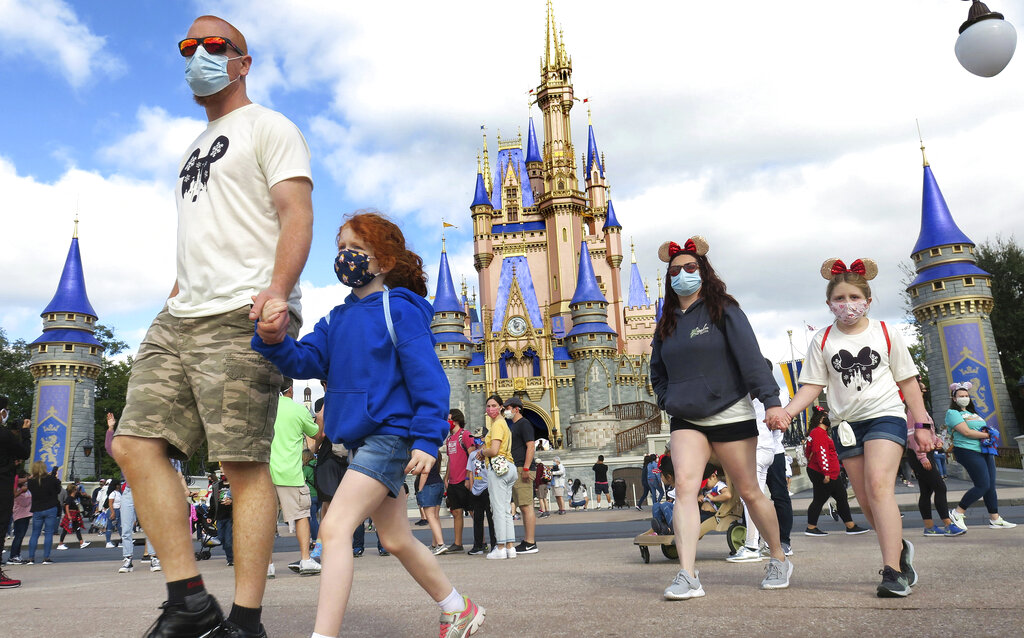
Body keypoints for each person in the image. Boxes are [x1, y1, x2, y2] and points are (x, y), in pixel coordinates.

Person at [110, 14, 315, 638]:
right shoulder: (190, 151)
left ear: (242, 62)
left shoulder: (270, 126)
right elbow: (199, 237)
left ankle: (246, 621)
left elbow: (296, 212)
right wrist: (171, 298)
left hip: (243, 312)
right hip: (181, 313)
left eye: (213, 46)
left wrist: (279, 292)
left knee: (243, 463)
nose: (197, 55)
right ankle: (190, 600)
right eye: (187, 47)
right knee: (134, 445)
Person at [251, 211, 485, 638]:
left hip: (391, 436)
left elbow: (429, 381)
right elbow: (305, 361)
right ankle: (458, 607)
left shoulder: (401, 311)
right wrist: (272, 340)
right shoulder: (336, 319)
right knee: (395, 538)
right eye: (341, 248)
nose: (346, 257)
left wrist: (427, 441)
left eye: (356, 250)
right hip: (360, 442)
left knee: (336, 528)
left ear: (383, 261)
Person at [778, 258, 931, 598]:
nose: (847, 305)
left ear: (868, 300)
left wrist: (920, 423)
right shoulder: (823, 339)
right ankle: (899, 549)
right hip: (846, 425)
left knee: (879, 488)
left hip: (885, 415)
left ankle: (891, 572)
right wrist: (786, 412)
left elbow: (908, 382)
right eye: (840, 298)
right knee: (866, 500)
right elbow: (811, 386)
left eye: (853, 297)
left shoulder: (887, 333)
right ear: (829, 303)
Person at [651, 237, 793, 600]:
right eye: (674, 271)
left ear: (703, 271)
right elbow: (658, 371)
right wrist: (669, 400)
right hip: (686, 417)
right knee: (684, 487)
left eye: (689, 268)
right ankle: (687, 574)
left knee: (748, 489)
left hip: (729, 410)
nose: (682, 275)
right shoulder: (665, 322)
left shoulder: (723, 310)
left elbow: (750, 357)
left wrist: (772, 402)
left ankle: (777, 556)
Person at [945, 383, 1017, 531]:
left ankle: (995, 518)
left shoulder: (974, 414)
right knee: (982, 485)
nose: (964, 398)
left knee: (990, 486)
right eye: (961, 396)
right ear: (954, 398)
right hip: (967, 450)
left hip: (985, 450)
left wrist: (988, 434)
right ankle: (958, 512)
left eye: (966, 396)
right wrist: (988, 434)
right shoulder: (952, 413)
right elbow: (966, 432)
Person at [269, 381, 321, 577]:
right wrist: (321, 419)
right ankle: (306, 559)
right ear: (290, 389)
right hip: (290, 473)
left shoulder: (265, 407)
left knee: (266, 520)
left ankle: (267, 565)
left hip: (265, 472)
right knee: (301, 516)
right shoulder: (297, 410)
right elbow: (317, 434)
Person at [905, 379, 962, 537]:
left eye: (924, 391)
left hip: (925, 452)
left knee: (926, 490)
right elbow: (912, 435)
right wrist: (923, 457)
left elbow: (928, 432)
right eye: (922, 391)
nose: (924, 393)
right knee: (940, 487)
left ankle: (929, 527)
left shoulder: (922, 411)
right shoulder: (912, 411)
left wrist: (937, 441)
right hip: (919, 454)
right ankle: (948, 525)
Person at [802, 408, 869, 537]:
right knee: (822, 499)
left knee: (840, 497)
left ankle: (850, 526)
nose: (830, 418)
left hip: (824, 471)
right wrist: (826, 472)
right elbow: (821, 453)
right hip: (825, 473)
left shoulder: (816, 433)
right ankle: (812, 527)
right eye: (827, 416)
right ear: (822, 419)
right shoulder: (819, 433)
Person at [106, 415, 159, 574]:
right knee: (126, 528)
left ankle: (154, 557)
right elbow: (109, 447)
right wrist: (110, 428)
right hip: (129, 491)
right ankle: (128, 559)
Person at [478, 394, 518, 560]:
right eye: (488, 406)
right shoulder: (504, 424)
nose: (490, 409)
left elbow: (494, 450)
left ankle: (500, 547)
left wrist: (481, 452)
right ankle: (510, 547)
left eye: (494, 405)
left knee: (498, 509)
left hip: (498, 467)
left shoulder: (497, 425)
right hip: (509, 467)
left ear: (501, 407)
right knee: (507, 509)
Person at [0, 407, 31, 588]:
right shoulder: (4, 435)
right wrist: (25, 432)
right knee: (1, 524)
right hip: (2, 483)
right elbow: (24, 452)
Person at [504, 397, 539, 554]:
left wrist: (525, 468)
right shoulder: (514, 425)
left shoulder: (524, 423)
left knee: (526, 506)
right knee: (523, 506)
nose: (506, 410)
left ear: (516, 409)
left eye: (508, 407)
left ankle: (530, 542)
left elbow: (530, 445)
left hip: (522, 469)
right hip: (517, 467)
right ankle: (527, 540)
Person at [441, 408, 474, 553]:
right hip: (453, 481)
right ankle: (457, 543)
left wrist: (468, 477)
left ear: (456, 420)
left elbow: (472, 457)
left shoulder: (465, 435)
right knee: (456, 513)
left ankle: (482, 541)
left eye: (449, 419)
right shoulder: (449, 440)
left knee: (473, 512)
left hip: (464, 480)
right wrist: (446, 477)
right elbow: (450, 460)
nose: (447, 422)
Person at [26, 461, 62, 565]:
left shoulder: (31, 482)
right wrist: (55, 478)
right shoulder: (51, 479)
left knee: (35, 534)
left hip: (37, 508)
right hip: (50, 507)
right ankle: (46, 558)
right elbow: (57, 491)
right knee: (49, 533)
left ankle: (31, 558)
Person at [465, 436, 496, 555]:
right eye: (475, 438)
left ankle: (495, 544)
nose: (476, 440)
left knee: (491, 518)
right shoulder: (472, 455)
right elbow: (471, 471)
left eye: (479, 437)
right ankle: (478, 545)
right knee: (477, 519)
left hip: (488, 488)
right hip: (476, 489)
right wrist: (472, 487)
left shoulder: (490, 452)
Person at [417, 448, 447, 554]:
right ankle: (435, 545)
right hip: (438, 483)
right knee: (435, 517)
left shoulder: (426, 453)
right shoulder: (436, 452)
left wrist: (420, 490)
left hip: (429, 485)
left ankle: (440, 544)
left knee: (430, 517)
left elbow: (424, 473)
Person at [210, 472, 234, 565]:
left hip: (230, 517)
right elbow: (213, 501)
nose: (223, 473)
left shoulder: (234, 484)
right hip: (220, 516)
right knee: (221, 538)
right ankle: (231, 555)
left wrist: (231, 501)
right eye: (221, 471)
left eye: (225, 470)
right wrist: (210, 516)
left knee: (228, 540)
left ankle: (231, 559)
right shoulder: (217, 485)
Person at [56, 483, 90, 550]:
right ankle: (60, 544)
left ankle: (81, 542)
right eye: (76, 489)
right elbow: (67, 506)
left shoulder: (74, 498)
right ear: (73, 490)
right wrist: (68, 515)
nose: (77, 490)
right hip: (71, 515)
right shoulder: (69, 498)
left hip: (75, 514)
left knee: (77, 529)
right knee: (65, 530)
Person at [302, 449, 319, 546]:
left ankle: (314, 540)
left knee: (311, 518)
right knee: (316, 517)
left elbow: (301, 480)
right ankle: (318, 539)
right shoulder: (318, 465)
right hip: (319, 495)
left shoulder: (306, 468)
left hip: (310, 495)